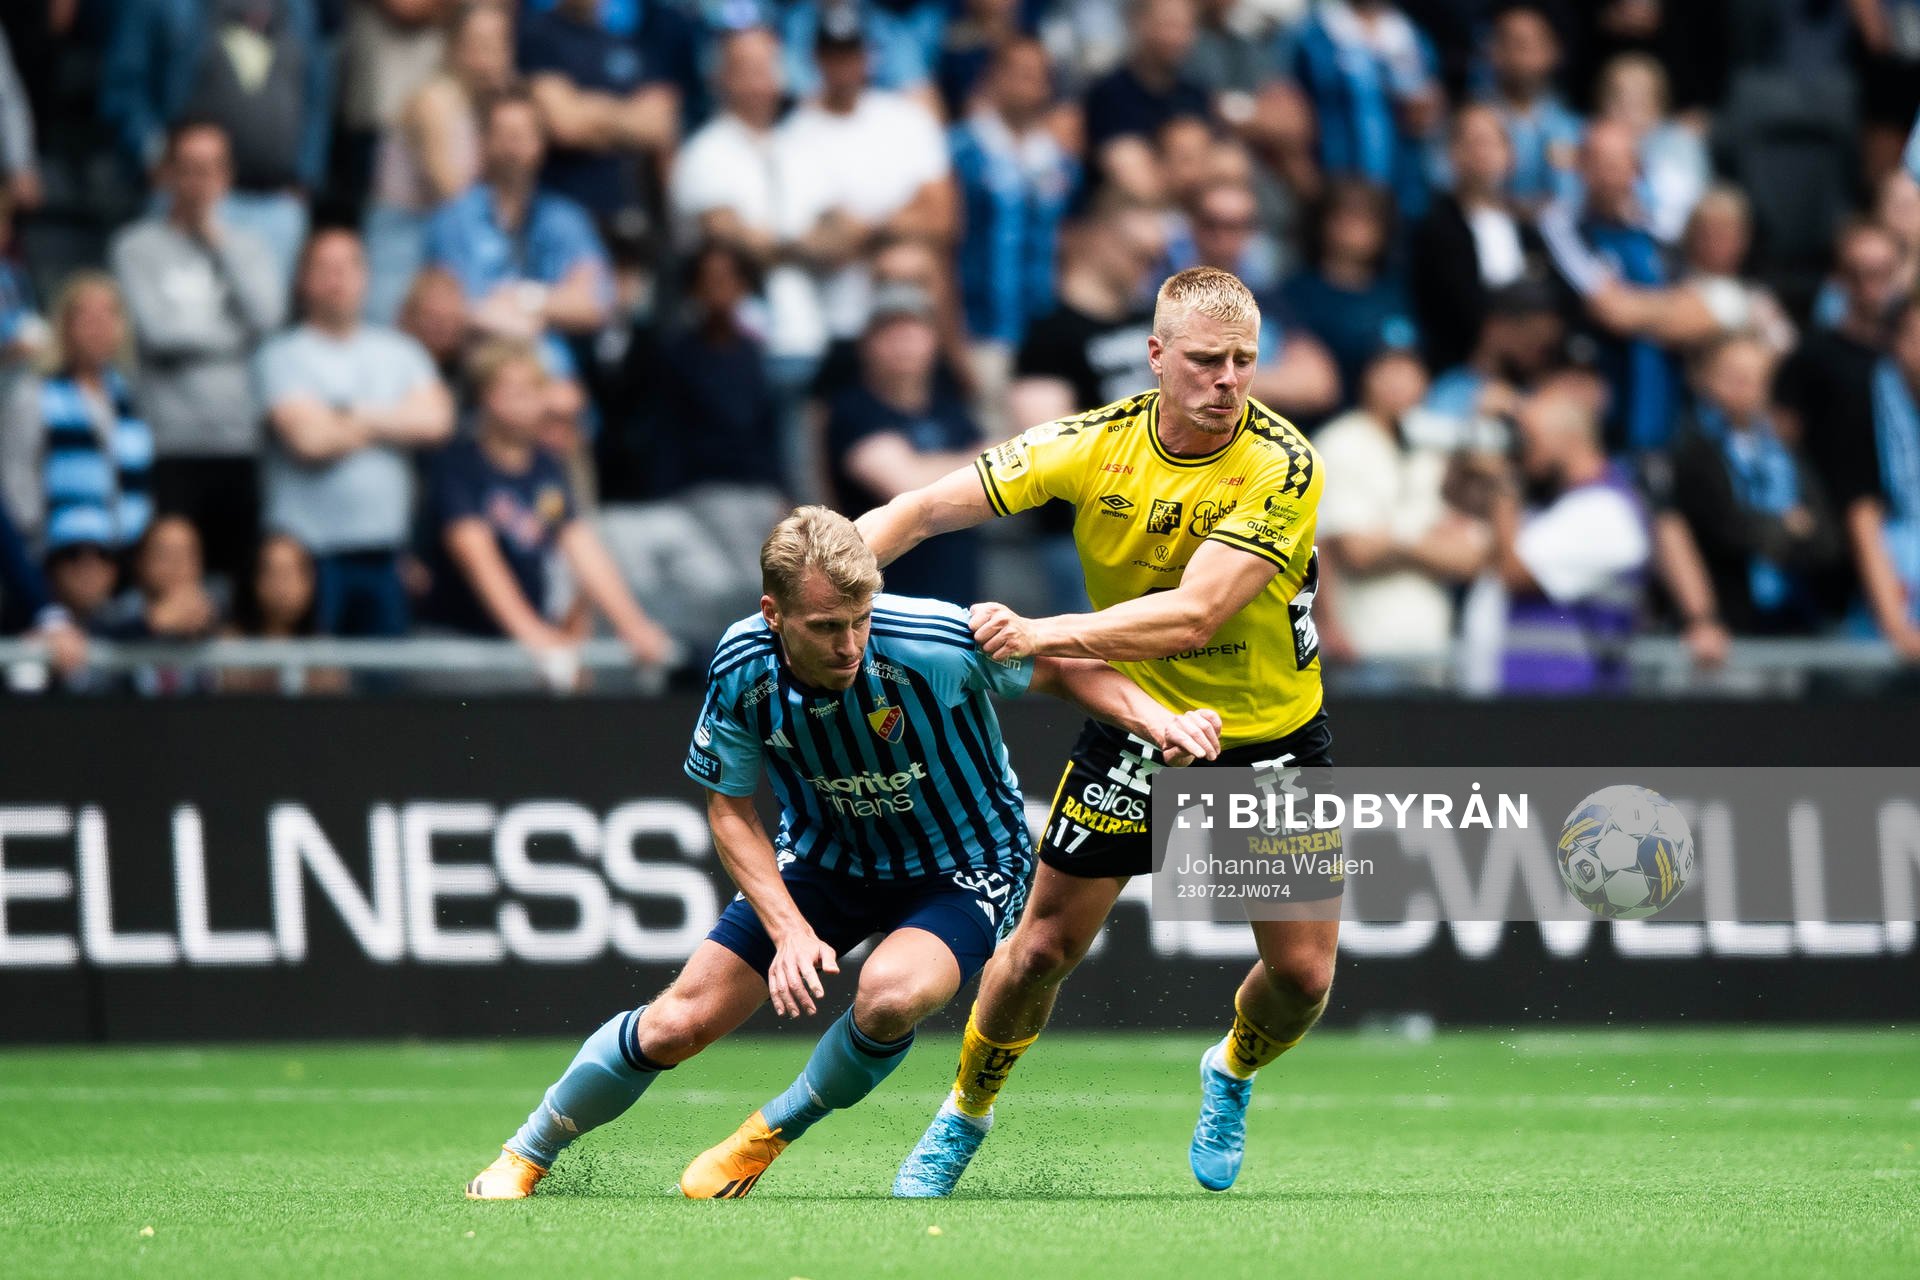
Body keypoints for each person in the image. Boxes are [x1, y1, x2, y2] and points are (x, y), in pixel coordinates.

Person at [464, 505, 1223, 1200]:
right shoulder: (740, 669)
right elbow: (730, 811)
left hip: (962, 866)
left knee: (890, 996)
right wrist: (792, 929)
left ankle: (767, 1135)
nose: (851, 643)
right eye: (827, 625)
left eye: (860, 618)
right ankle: (525, 1154)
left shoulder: (932, 641)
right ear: (774, 615)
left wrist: (1158, 720)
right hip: (825, 863)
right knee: (676, 1025)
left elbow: (1062, 667)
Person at [856, 267, 1338, 1197]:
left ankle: (1230, 1070)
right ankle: (964, 1112)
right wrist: (826, 570)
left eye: (1244, 361)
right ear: (1156, 357)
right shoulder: (1096, 443)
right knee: (1039, 950)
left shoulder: (1283, 464)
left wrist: (1040, 634)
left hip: (1268, 740)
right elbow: (921, 508)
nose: (1228, 381)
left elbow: (1195, 615)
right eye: (1204, 361)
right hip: (1137, 729)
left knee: (1304, 979)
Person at [419, 340, 672, 674]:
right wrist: (535, 635)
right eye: (515, 390)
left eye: (534, 388)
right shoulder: (459, 465)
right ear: (485, 396)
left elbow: (582, 547)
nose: (530, 401)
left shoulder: (546, 466)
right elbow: (475, 555)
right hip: (457, 642)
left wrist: (633, 626)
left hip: (518, 645)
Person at [110, 120, 286, 580]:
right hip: (168, 442)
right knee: (168, 579)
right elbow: (157, 334)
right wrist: (235, 335)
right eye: (188, 168)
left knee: (237, 578)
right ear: (166, 174)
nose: (199, 182)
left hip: (238, 441)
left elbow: (267, 318)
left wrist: (218, 246)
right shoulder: (136, 247)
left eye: (210, 169)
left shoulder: (247, 247)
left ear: (226, 177)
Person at [256, 227, 454, 637]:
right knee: (316, 687)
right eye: (325, 268)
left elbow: (437, 422)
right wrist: (394, 421)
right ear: (302, 279)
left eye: (348, 266)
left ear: (366, 276)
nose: (337, 278)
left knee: (383, 691)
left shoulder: (402, 351)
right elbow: (308, 442)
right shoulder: (281, 354)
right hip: (306, 557)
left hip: (387, 554)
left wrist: (349, 413)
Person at [99, 0, 333, 290]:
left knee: (266, 315)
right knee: (186, 310)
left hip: (276, 202)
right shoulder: (161, 6)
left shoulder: (299, 9)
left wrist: (305, 176)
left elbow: (316, 94)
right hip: (188, 197)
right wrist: (154, 155)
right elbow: (125, 85)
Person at [1465, 373, 1651, 693]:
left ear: (1565, 437)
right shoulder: (1553, 506)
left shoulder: (1606, 510)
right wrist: (1480, 430)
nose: (1520, 450)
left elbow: (1515, 572)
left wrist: (1504, 484)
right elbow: (1459, 501)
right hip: (1525, 705)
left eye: (1528, 437)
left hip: (1566, 707)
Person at [1666, 335, 1841, 636]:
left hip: (1791, 618)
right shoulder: (1689, 449)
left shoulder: (1787, 449)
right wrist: (1788, 527)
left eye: (1756, 377)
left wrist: (1771, 532)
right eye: (1733, 376)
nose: (1744, 386)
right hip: (1724, 624)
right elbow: (1723, 528)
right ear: (1703, 379)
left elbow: (1826, 541)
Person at [825, 284, 984, 605]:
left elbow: (999, 471)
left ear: (934, 341)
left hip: (958, 596)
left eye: (914, 331)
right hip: (883, 602)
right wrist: (972, 463)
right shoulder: (854, 411)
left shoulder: (951, 409)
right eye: (890, 333)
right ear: (866, 345)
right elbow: (906, 485)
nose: (903, 344)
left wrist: (932, 467)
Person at [423, 88, 614, 347]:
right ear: (484, 141)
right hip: (476, 361)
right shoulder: (454, 219)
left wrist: (524, 298)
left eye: (521, 135)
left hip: (552, 372)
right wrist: (547, 308)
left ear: (541, 143)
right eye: (503, 134)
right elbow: (451, 308)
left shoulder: (566, 219)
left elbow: (594, 304)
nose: (512, 146)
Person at [363, 0, 515, 323]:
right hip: (402, 243)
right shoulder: (434, 102)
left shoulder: (477, 107)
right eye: (479, 46)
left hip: (443, 244)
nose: (489, 60)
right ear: (453, 46)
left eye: (498, 46)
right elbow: (453, 194)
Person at [0, 273, 153, 553]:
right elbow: (17, 477)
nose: (99, 328)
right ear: (65, 327)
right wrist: (33, 537)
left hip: (126, 552)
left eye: (109, 317)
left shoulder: (132, 397)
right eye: (87, 319)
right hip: (59, 552)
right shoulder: (35, 393)